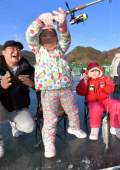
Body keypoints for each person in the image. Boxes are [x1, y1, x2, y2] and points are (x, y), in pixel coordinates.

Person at [26, 9, 87, 158]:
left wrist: (62, 25)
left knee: (73, 110)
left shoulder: (61, 49)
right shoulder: (38, 50)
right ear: (39, 39)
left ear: (56, 37)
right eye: (44, 35)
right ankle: (49, 143)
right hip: (48, 90)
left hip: (65, 87)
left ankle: (74, 127)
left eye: (52, 34)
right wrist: (39, 22)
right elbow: (30, 36)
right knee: (50, 118)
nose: (48, 37)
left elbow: (66, 38)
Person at [0, 40, 36, 160]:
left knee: (30, 126)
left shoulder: (29, 69)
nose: (16, 51)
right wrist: (0, 86)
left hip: (18, 109)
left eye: (19, 49)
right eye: (12, 48)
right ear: (3, 52)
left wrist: (33, 84)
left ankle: (14, 124)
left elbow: (41, 86)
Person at [76, 62, 120, 140]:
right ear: (89, 72)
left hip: (105, 101)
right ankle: (94, 130)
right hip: (93, 102)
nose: (94, 73)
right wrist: (84, 83)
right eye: (92, 71)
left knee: (117, 105)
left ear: (100, 71)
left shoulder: (105, 79)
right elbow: (80, 92)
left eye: (96, 71)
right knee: (96, 108)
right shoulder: (86, 80)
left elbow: (111, 89)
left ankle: (115, 128)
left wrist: (105, 86)